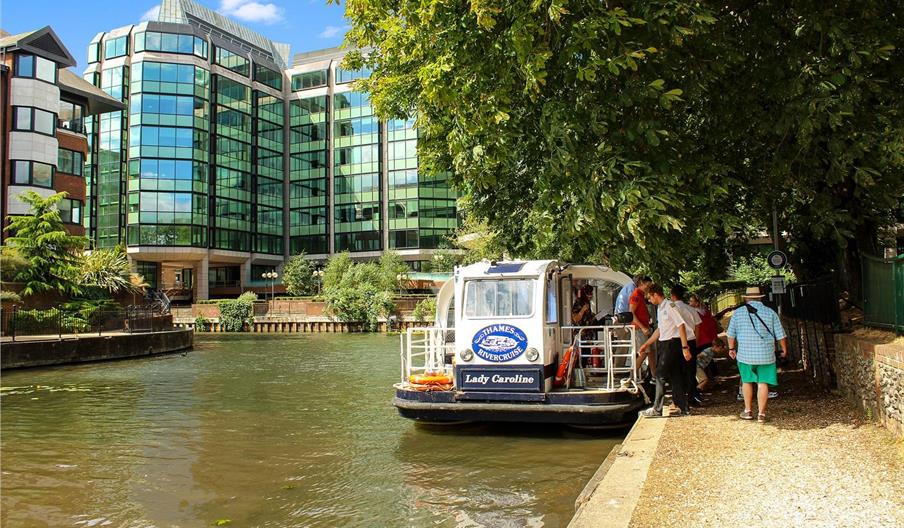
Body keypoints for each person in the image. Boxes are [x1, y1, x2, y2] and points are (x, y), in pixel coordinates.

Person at [726, 286, 789, 423]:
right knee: (763, 383)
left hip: (745, 354)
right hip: (766, 354)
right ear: (760, 297)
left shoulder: (737, 313)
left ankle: (748, 411)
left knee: (747, 381)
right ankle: (761, 414)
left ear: (747, 298)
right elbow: (780, 334)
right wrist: (784, 349)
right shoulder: (770, 312)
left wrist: (731, 348)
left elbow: (730, 334)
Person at [638, 284, 697, 417]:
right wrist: (647, 343)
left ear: (655, 294)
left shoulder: (669, 306)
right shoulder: (660, 308)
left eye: (649, 297)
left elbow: (680, 325)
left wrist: (685, 347)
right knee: (675, 376)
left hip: (672, 344)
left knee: (659, 375)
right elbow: (660, 329)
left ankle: (657, 408)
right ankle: (682, 407)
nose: (649, 300)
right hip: (666, 343)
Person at [670, 285, 702, 406]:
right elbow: (698, 326)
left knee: (677, 371)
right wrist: (696, 341)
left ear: (673, 296)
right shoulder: (691, 309)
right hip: (691, 340)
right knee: (690, 370)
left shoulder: (672, 308)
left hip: (676, 341)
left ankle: (679, 398)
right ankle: (692, 397)